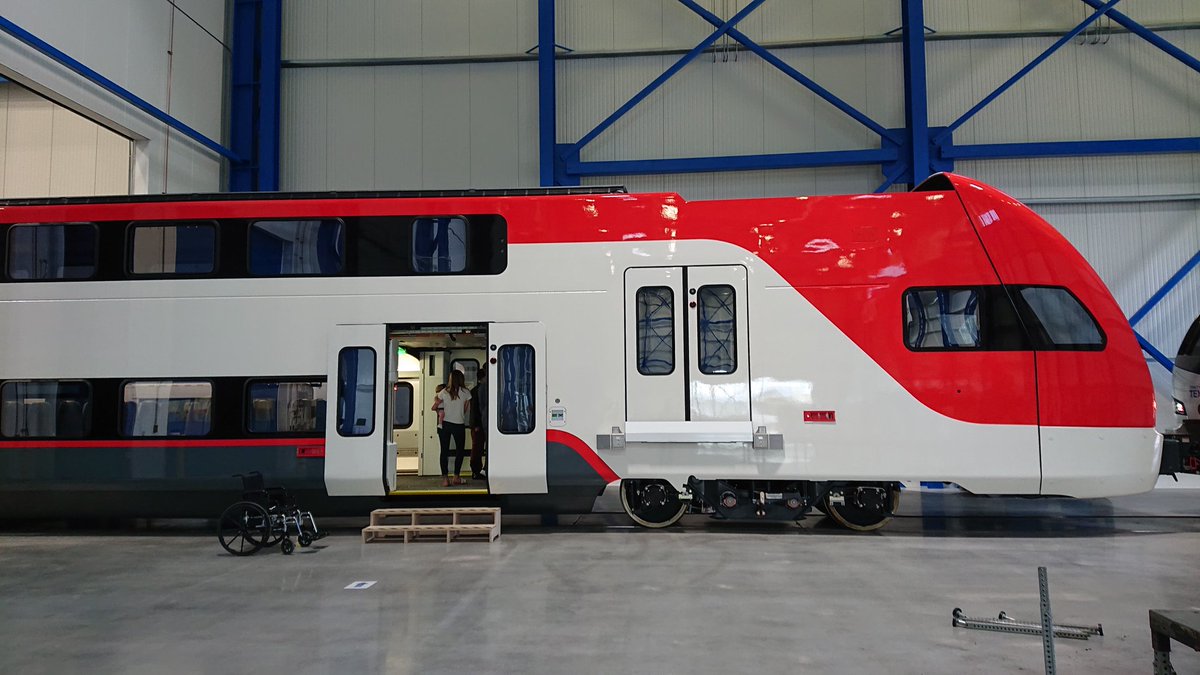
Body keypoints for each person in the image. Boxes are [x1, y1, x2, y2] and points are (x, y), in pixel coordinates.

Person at [432, 370, 471, 487]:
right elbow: (465, 409)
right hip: (458, 424)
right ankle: (456, 477)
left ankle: (445, 479)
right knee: (460, 451)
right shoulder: (466, 393)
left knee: (444, 451)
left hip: (444, 425)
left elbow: (435, 406)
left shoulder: (443, 392)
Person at [469, 365, 487, 480]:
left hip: (480, 424)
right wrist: (475, 425)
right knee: (477, 448)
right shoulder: (478, 390)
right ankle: (476, 471)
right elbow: (475, 409)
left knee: (478, 448)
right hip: (479, 424)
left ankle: (479, 470)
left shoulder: (475, 390)